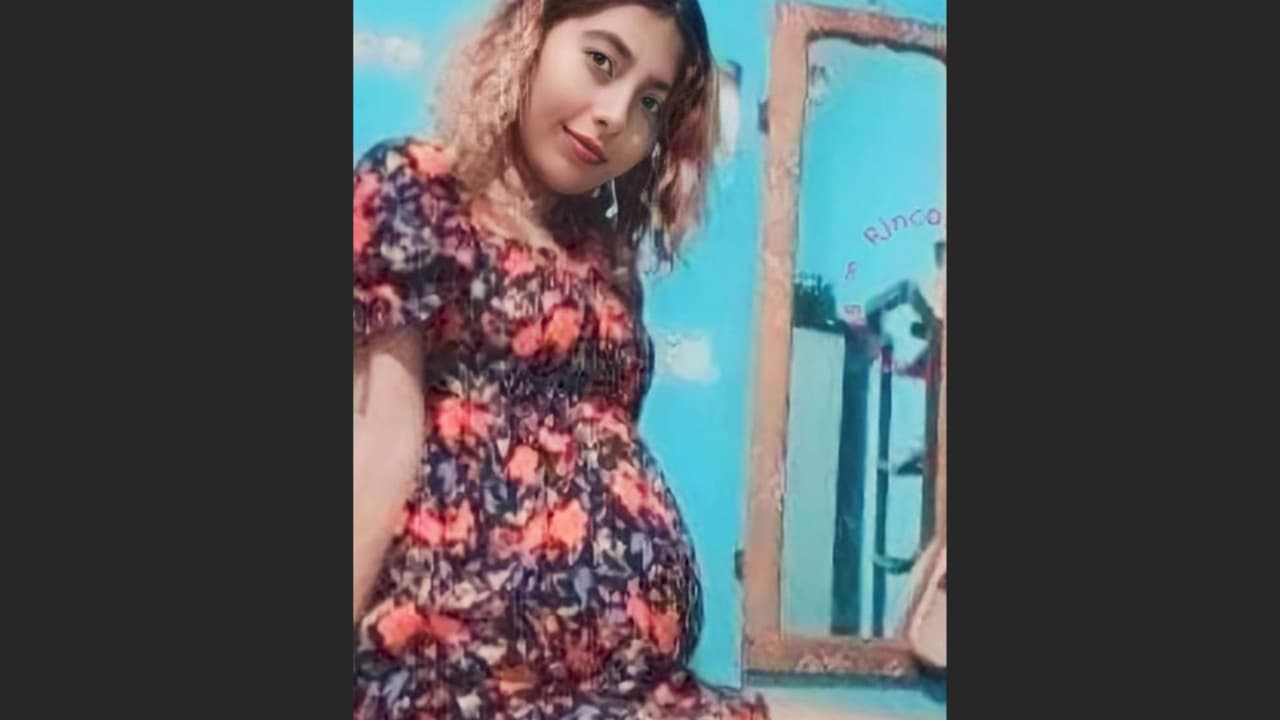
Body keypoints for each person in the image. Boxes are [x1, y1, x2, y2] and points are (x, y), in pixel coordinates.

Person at [352, 0, 770, 717]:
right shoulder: (421, 191)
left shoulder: (605, 259)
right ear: (530, 34)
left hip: (624, 686)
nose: (615, 115)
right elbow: (378, 440)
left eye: (650, 102)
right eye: (601, 61)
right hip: (467, 680)